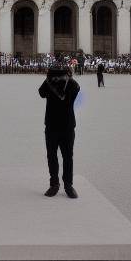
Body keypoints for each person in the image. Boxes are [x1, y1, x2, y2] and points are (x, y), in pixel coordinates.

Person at [38, 65, 81, 199]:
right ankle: (55, 184)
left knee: (67, 156)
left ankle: (68, 184)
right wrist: (50, 80)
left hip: (66, 125)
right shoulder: (51, 83)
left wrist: (53, 79)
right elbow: (41, 93)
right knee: (53, 156)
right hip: (52, 125)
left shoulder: (72, 85)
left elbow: (73, 92)